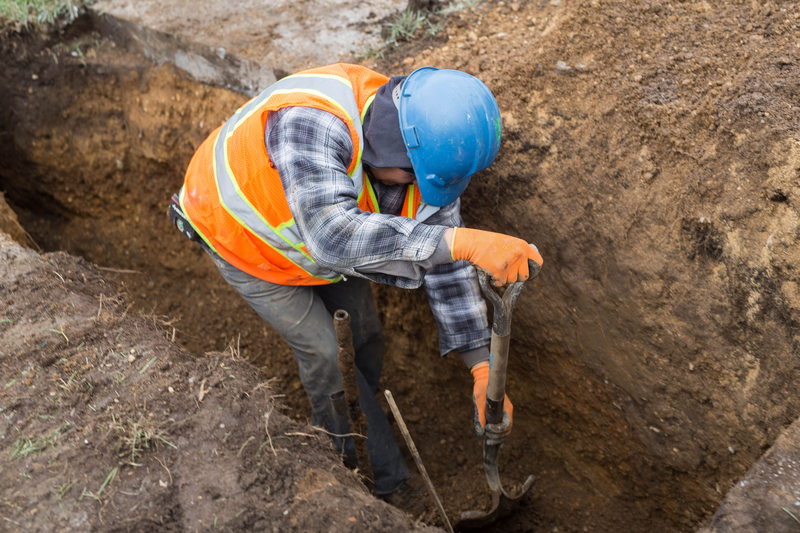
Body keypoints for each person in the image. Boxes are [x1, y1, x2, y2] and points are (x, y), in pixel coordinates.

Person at [168, 63, 542, 510]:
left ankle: (360, 416)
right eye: (416, 180)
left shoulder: (424, 137)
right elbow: (331, 236)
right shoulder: (311, 124)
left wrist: (480, 365)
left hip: (316, 251)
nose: (427, 193)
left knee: (365, 337)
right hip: (243, 239)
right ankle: (361, 476)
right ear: (391, 152)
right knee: (328, 356)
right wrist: (460, 240)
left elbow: (447, 264)